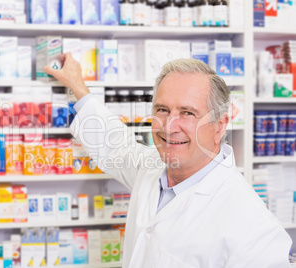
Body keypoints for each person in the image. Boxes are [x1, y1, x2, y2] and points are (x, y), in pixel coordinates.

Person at [43, 54, 292, 267]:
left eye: (188, 113)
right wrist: (76, 84)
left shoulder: (255, 230)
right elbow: (116, 145)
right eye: (162, 110)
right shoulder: (152, 170)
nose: (170, 126)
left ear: (220, 125)